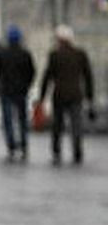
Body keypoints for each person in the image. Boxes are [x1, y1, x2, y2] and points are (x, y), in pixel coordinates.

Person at [39, 25, 94, 165]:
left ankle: (57, 151)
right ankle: (77, 151)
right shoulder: (80, 54)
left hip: (59, 95)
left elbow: (48, 76)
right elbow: (88, 76)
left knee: (57, 125)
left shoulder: (54, 55)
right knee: (76, 125)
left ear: (59, 39)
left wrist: (42, 96)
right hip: (76, 94)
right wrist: (90, 96)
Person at [0, 25, 35, 162]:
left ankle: (11, 146)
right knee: (22, 120)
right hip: (21, 91)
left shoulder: (1, 54)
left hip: (6, 91)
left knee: (8, 120)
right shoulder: (25, 54)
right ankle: (24, 145)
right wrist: (27, 85)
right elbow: (31, 72)